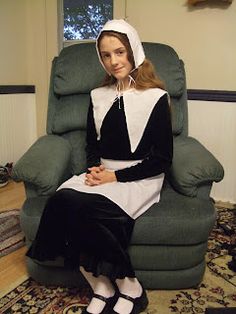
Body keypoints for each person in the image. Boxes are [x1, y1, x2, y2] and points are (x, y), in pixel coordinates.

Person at [26, 19, 173, 314]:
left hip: (140, 176)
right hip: (103, 174)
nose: (113, 61)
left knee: (94, 211)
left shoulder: (156, 98)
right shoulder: (97, 96)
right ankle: (101, 285)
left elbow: (162, 159)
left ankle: (131, 287)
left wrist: (115, 176)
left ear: (133, 50)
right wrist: (95, 170)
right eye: (106, 55)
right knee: (61, 200)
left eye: (119, 52)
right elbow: (92, 145)